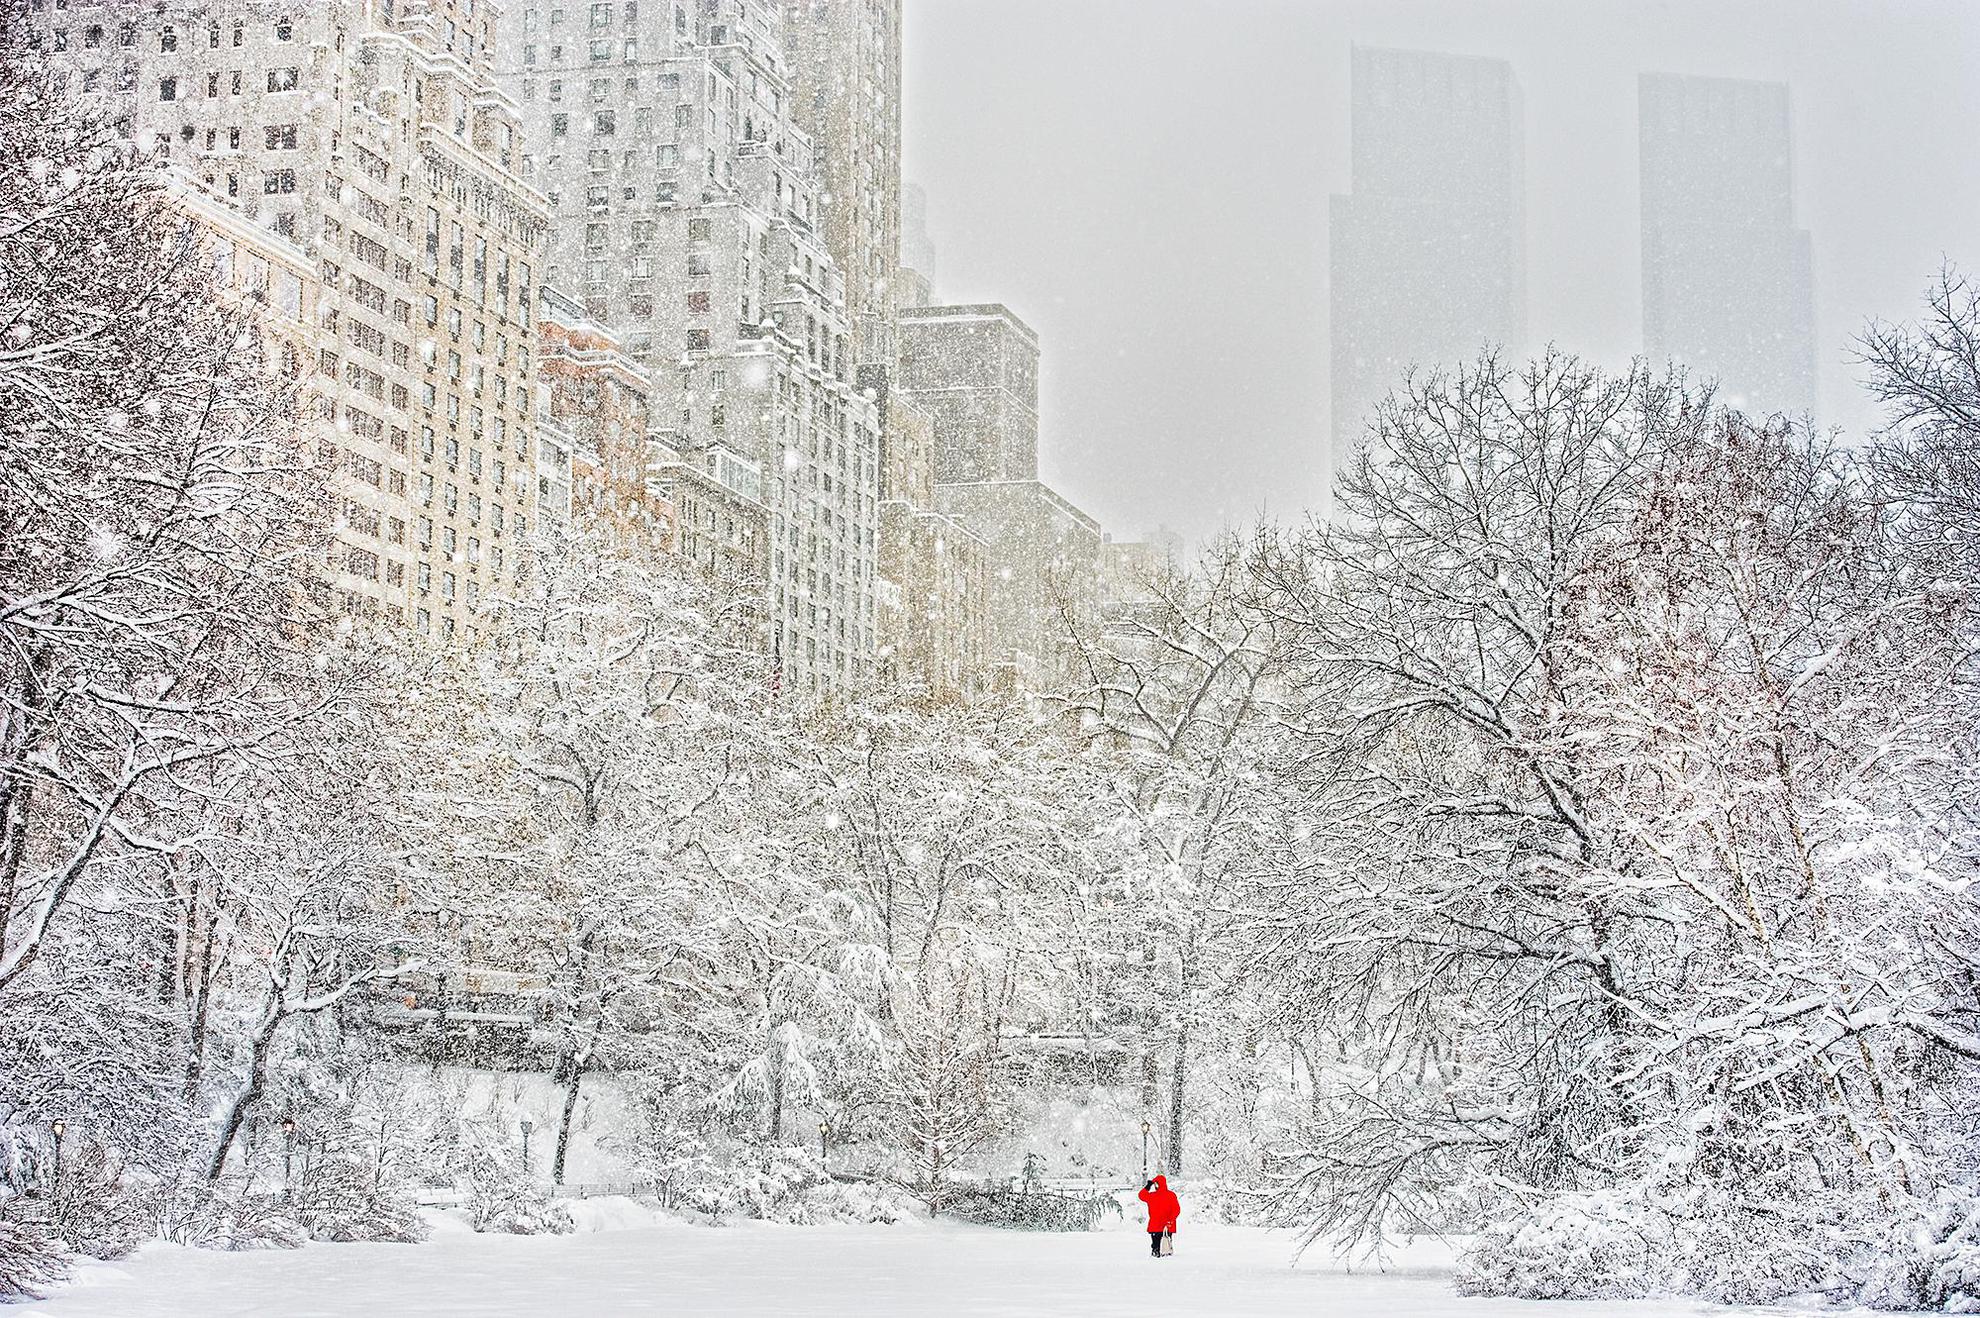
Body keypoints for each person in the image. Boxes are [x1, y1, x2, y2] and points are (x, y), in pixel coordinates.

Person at [1138, 1174, 1180, 1257]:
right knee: (1166, 1245)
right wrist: (1170, 1220)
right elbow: (1176, 1210)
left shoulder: (1152, 1196)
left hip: (1155, 1225)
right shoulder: (1171, 1195)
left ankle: (1155, 1259)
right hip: (1167, 1226)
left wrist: (1148, 1186)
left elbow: (1141, 1195)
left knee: (1155, 1247)